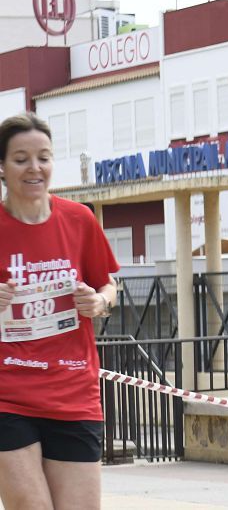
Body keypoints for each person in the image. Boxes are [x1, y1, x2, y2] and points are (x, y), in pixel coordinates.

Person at [0, 112, 119, 510]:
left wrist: (99, 302)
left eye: (44, 157)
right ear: (2, 167)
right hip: (8, 394)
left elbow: (109, 286)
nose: (34, 168)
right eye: (21, 159)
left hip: (74, 392)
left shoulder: (79, 219)